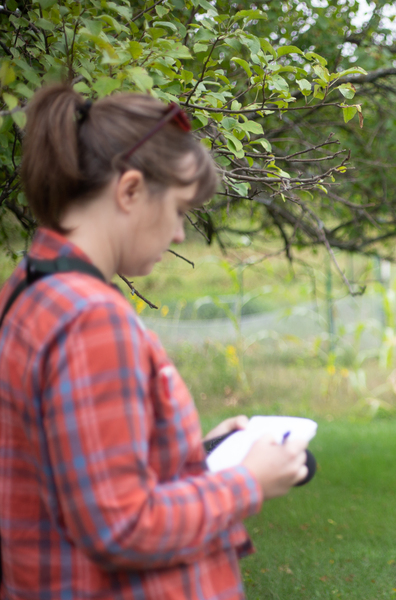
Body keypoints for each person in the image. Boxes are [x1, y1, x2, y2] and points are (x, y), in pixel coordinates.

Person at [0, 84, 309, 599]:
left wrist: (194, 456)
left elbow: (76, 472)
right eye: (181, 209)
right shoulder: (92, 320)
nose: (179, 234)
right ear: (130, 191)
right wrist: (248, 481)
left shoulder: (29, 288)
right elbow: (121, 527)